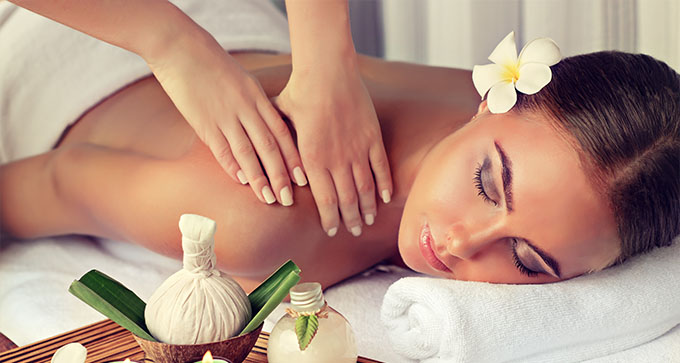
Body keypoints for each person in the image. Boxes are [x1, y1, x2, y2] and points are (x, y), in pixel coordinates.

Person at [1, 3, 678, 292]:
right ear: (494, 100)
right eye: (485, 182)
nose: (463, 243)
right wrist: (170, 40)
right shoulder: (259, 213)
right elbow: (34, 189)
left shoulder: (513, 116)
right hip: (46, 39)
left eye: (528, 261)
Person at [4, 0, 393, 239]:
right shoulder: (243, 218)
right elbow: (57, 180)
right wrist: (167, 40)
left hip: (233, 17)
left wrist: (325, 61)